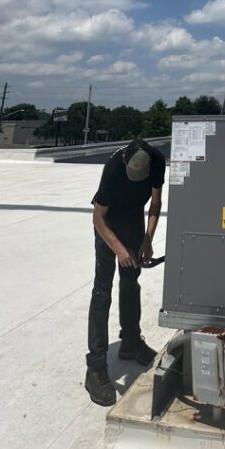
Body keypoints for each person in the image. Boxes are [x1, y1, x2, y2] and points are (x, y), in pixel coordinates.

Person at [84, 138, 165, 406]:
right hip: (108, 223)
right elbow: (98, 217)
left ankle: (130, 341)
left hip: (133, 219)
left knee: (131, 281)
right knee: (102, 289)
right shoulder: (113, 169)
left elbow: (154, 204)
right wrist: (120, 250)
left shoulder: (157, 162)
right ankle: (95, 367)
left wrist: (148, 240)